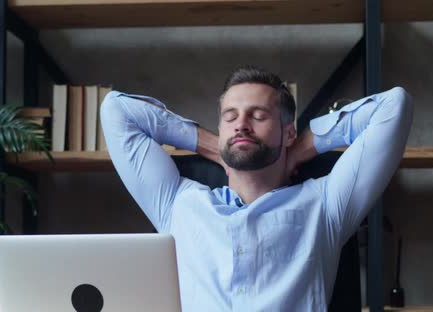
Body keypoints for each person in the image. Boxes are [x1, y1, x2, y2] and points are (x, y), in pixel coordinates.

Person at [100, 65, 413, 311]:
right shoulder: (177, 203)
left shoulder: (326, 204)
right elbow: (116, 110)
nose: (242, 124)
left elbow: (393, 106)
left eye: (258, 116)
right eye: (230, 117)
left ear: (287, 132)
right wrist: (216, 146)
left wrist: (304, 147)